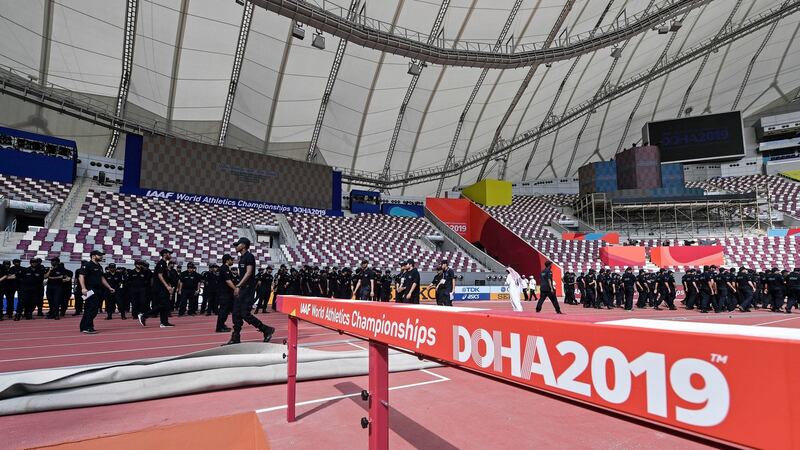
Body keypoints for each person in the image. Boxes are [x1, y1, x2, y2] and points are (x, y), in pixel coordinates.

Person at [223, 237, 275, 345]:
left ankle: (266, 329)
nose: (236, 246)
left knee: (245, 314)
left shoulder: (249, 257)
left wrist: (238, 286)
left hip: (247, 290)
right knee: (236, 314)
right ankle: (235, 337)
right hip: (242, 289)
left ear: (243, 245)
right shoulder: (241, 258)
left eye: (238, 244)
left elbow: (249, 272)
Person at [78, 250, 116, 334]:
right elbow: (81, 277)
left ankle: (84, 326)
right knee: (92, 308)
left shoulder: (99, 266)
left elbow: (102, 278)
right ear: (93, 256)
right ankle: (87, 327)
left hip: (98, 289)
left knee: (91, 308)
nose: (101, 257)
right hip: (89, 289)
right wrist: (83, 288)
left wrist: (109, 287)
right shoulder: (87, 265)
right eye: (99, 255)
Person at [140, 249, 175, 328]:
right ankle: (144, 315)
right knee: (162, 304)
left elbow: (166, 277)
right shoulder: (161, 263)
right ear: (165, 254)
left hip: (163, 288)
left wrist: (169, 287)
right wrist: (167, 286)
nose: (171, 255)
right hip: (160, 288)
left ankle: (164, 323)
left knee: (165, 305)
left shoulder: (165, 264)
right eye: (169, 254)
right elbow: (160, 275)